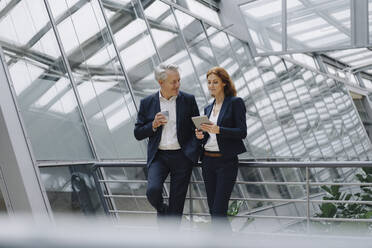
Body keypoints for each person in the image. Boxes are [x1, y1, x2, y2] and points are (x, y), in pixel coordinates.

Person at [134, 63, 200, 225]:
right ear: (161, 83)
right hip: (159, 157)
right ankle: (163, 211)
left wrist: (194, 148)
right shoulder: (147, 103)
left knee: (177, 205)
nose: (177, 85)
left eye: (178, 80)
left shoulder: (188, 100)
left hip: (182, 157)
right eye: (173, 82)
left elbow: (198, 128)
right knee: (153, 191)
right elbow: (138, 133)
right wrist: (154, 125)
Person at [195, 67, 247, 230]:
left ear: (224, 83)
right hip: (208, 161)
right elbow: (208, 136)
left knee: (219, 211)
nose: (211, 85)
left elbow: (242, 132)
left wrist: (220, 130)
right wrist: (200, 136)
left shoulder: (235, 103)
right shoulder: (208, 109)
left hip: (226, 162)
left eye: (215, 82)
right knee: (213, 211)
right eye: (209, 82)